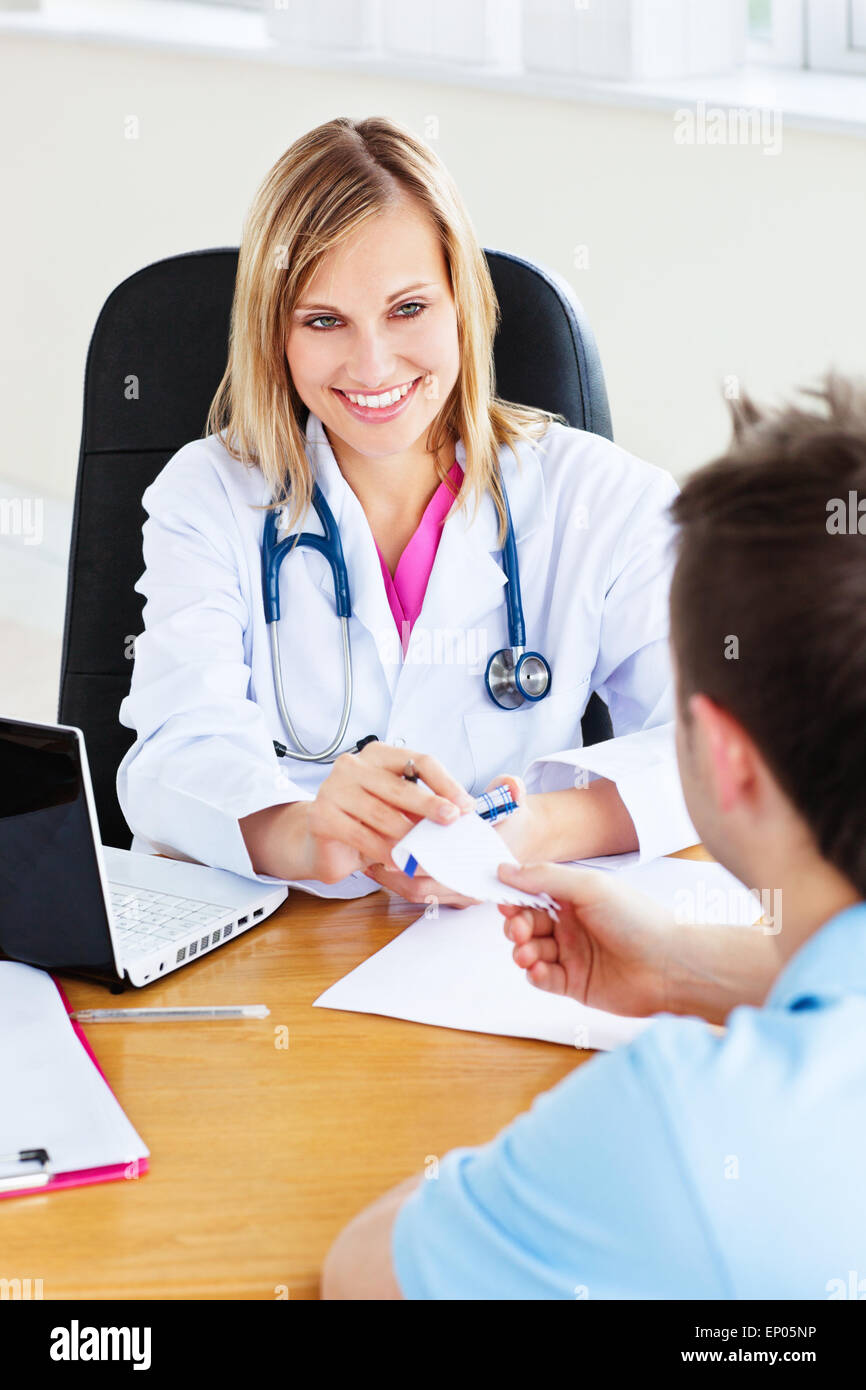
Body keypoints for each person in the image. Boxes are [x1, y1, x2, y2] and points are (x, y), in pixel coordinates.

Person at [322, 376, 866, 1298]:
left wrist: (559, 1152)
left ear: (727, 758)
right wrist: (685, 969)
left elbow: (369, 1270)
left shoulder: (685, 1130)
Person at [117, 115, 695, 903]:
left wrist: (538, 826)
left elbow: (720, 748)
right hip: (274, 949)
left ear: (463, 301)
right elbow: (172, 754)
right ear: (273, 337)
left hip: (498, 947)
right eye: (324, 322)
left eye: (408, 309)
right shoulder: (210, 496)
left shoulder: (603, 499)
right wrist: (310, 831)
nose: (373, 364)